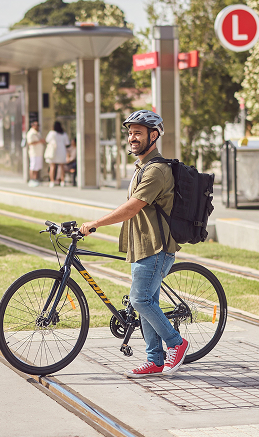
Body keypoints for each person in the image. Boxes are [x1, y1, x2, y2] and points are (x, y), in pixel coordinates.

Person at [79, 110, 189, 378]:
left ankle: (177, 343)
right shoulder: (142, 168)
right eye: (130, 133)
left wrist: (96, 223)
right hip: (142, 246)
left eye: (138, 133)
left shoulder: (157, 171)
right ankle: (155, 360)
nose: (132, 137)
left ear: (154, 135)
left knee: (140, 300)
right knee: (147, 303)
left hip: (156, 248)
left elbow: (132, 208)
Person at [44, 121, 71, 187]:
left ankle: (52, 181)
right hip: (62, 151)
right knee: (62, 167)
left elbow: (47, 140)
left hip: (54, 151)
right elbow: (67, 143)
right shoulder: (64, 134)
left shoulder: (52, 133)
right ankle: (62, 181)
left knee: (52, 166)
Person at [26, 120, 45, 186]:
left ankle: (35, 179)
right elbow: (30, 143)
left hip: (39, 153)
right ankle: (31, 180)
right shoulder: (30, 133)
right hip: (34, 153)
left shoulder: (37, 133)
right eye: (37, 126)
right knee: (33, 167)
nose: (38, 127)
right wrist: (40, 141)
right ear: (33, 125)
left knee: (37, 167)